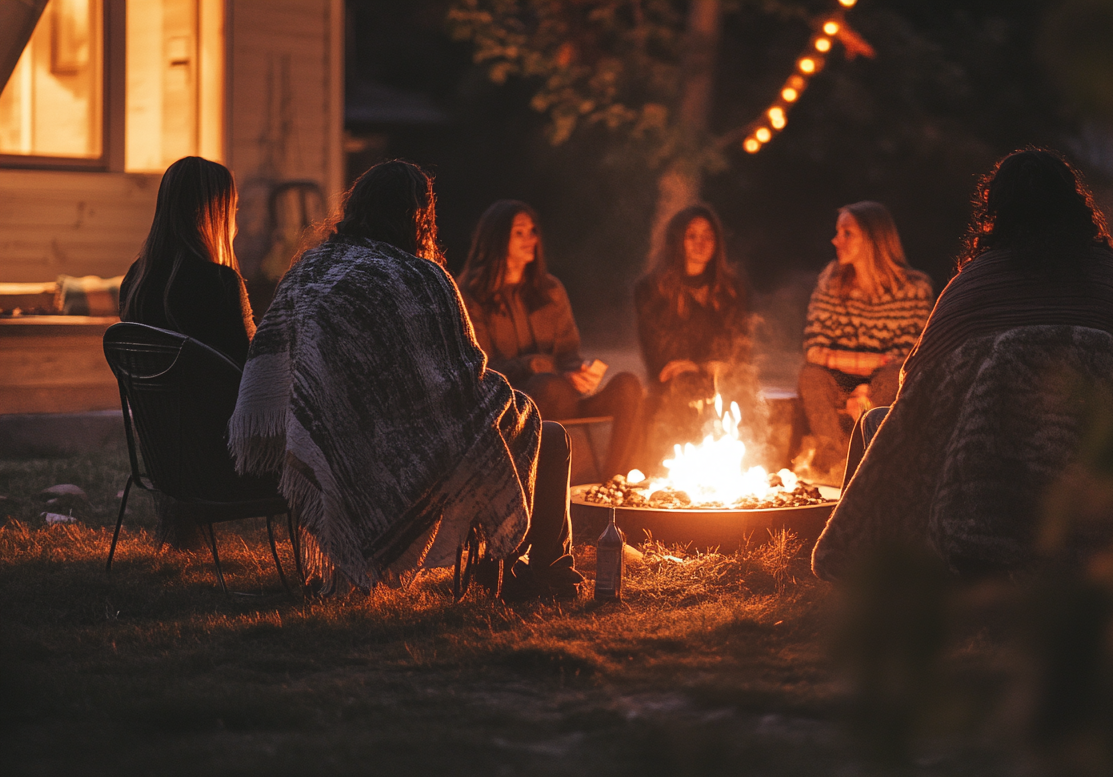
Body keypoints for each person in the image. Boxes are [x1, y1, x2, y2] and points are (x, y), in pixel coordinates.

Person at [230, 160, 580, 598]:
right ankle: (543, 572)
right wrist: (513, 401)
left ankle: (502, 567)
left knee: (513, 420)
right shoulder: (418, 276)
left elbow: (271, 356)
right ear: (420, 217)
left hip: (328, 439)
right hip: (405, 452)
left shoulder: (311, 268)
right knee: (545, 434)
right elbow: (460, 383)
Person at [813, 149, 1113, 581]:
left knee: (877, 423)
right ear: (1074, 205)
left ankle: (868, 563)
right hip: (1094, 473)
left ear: (994, 210)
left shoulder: (976, 282)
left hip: (978, 479)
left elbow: (916, 387)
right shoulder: (1112, 278)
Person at [455, 200, 644, 478]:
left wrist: (578, 372)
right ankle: (544, 486)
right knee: (551, 387)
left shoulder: (550, 290)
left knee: (628, 385)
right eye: (519, 232)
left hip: (564, 395)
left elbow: (568, 354)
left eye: (533, 231)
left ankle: (613, 481)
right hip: (512, 406)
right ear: (496, 238)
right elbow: (481, 370)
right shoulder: (471, 297)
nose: (530, 239)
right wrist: (532, 366)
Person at [799, 201, 933, 480]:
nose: (836, 240)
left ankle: (867, 463)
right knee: (811, 376)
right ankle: (837, 466)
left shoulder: (914, 289)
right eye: (838, 232)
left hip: (883, 382)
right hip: (838, 382)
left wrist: (866, 390)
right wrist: (874, 361)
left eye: (847, 233)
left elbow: (910, 355)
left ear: (874, 238)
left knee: (894, 375)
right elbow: (814, 349)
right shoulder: (831, 282)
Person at [634, 204, 758, 472]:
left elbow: (739, 347)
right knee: (687, 386)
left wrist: (701, 365)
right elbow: (661, 356)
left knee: (743, 389)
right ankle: (675, 471)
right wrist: (705, 365)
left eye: (708, 236)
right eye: (692, 236)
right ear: (677, 241)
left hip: (722, 377)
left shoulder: (731, 289)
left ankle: (742, 471)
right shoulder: (652, 290)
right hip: (674, 381)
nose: (701, 243)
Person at [119, 156, 254, 365]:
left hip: (155, 400)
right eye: (231, 210)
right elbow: (250, 366)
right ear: (216, 215)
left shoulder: (135, 281)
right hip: (215, 398)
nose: (234, 225)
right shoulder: (220, 282)